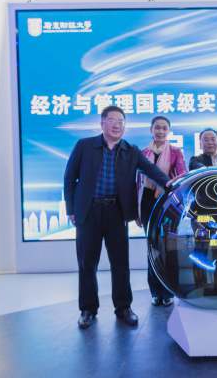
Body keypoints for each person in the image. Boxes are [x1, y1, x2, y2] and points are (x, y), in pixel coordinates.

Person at [64, 106, 170, 329]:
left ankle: (123, 308)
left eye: (121, 121)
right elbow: (69, 178)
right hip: (89, 212)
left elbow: (151, 170)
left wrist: (169, 183)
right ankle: (87, 309)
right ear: (102, 123)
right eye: (112, 120)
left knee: (120, 263)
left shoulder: (130, 150)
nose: (117, 125)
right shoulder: (85, 146)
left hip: (116, 212)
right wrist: (71, 209)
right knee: (87, 263)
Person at [137, 116, 187, 307]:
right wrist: (136, 210)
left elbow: (182, 177)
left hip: (168, 203)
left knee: (168, 247)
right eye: (157, 127)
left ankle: (167, 292)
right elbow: (137, 182)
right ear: (151, 130)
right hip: (147, 202)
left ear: (169, 131)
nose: (160, 131)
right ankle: (155, 292)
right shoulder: (142, 153)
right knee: (152, 247)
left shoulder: (175, 152)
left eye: (164, 128)